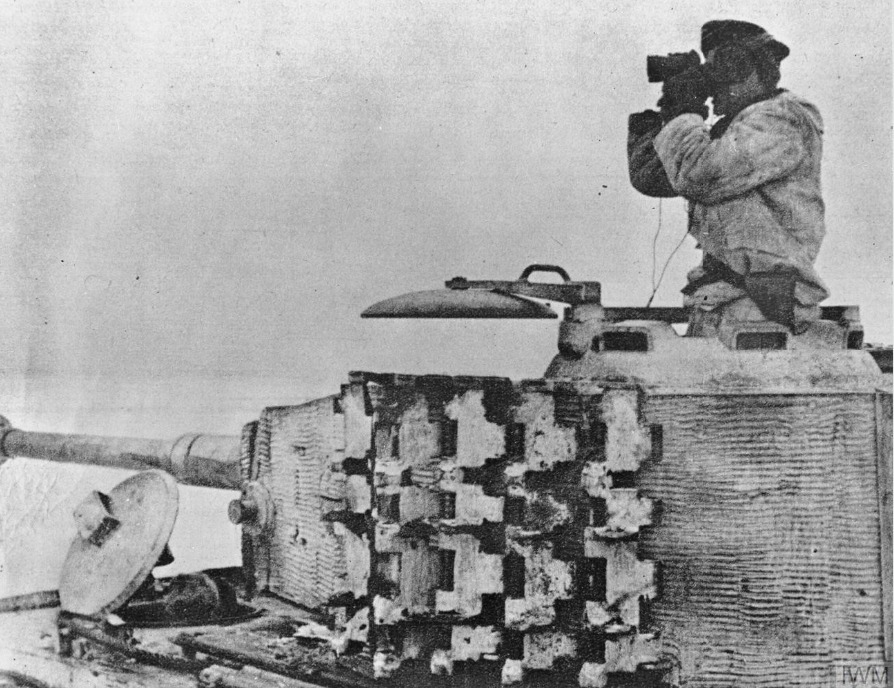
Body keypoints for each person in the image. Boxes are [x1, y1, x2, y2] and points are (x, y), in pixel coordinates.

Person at [628, 20, 829, 335]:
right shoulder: (737, 130)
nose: (712, 86)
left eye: (723, 69)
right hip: (725, 298)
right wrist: (664, 116)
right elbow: (652, 179)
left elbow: (698, 176)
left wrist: (685, 110)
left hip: (761, 304)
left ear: (750, 67)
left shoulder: (781, 119)